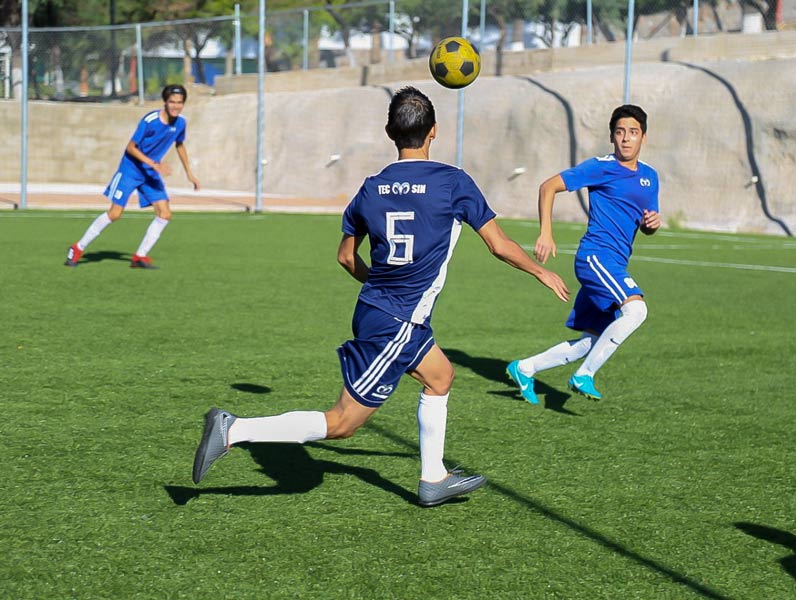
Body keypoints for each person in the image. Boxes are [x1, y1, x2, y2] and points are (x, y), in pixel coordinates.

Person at [192, 87, 570, 507]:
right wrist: (540, 270)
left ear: (390, 131)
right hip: (397, 322)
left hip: (385, 312)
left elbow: (345, 258)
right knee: (343, 423)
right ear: (434, 133)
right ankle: (235, 429)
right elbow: (498, 245)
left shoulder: (371, 189)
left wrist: (382, 288)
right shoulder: (452, 182)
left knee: (440, 376)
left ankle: (433, 478)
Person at [506, 104, 661, 405]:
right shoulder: (602, 167)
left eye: (633, 133)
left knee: (589, 341)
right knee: (637, 311)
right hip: (595, 257)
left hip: (615, 261)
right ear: (612, 137)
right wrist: (546, 233)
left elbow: (647, 222)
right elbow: (548, 186)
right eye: (620, 133)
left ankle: (525, 368)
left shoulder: (650, 177)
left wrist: (651, 224)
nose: (626, 139)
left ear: (644, 137)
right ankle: (583, 376)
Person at [64, 84, 200, 269]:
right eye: (172, 102)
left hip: (150, 173)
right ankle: (77, 248)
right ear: (165, 102)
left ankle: (139, 257)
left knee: (165, 213)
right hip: (131, 169)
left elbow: (180, 145)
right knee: (115, 213)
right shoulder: (150, 120)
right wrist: (154, 164)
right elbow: (130, 147)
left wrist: (190, 174)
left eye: (180, 103)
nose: (176, 106)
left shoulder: (181, 123)